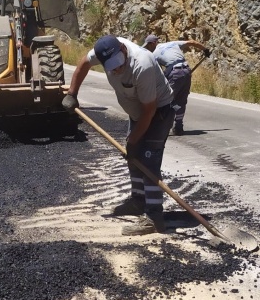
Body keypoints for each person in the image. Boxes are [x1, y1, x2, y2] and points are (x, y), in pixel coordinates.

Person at [62, 35, 175, 236]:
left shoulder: (143, 64)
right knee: (133, 158)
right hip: (137, 113)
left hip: (159, 112)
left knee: (149, 161)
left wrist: (133, 140)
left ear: (123, 49)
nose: (116, 70)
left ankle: (154, 218)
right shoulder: (102, 53)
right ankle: (138, 202)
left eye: (118, 65)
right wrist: (72, 94)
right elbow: (83, 65)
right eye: (111, 67)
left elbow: (150, 109)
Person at [141, 34, 211, 136]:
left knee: (166, 100)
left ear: (152, 43)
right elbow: (192, 42)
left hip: (175, 72)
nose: (148, 48)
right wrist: (205, 50)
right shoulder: (172, 43)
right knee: (181, 100)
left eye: (148, 46)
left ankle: (160, 127)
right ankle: (178, 127)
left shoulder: (154, 54)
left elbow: (157, 71)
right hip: (186, 71)